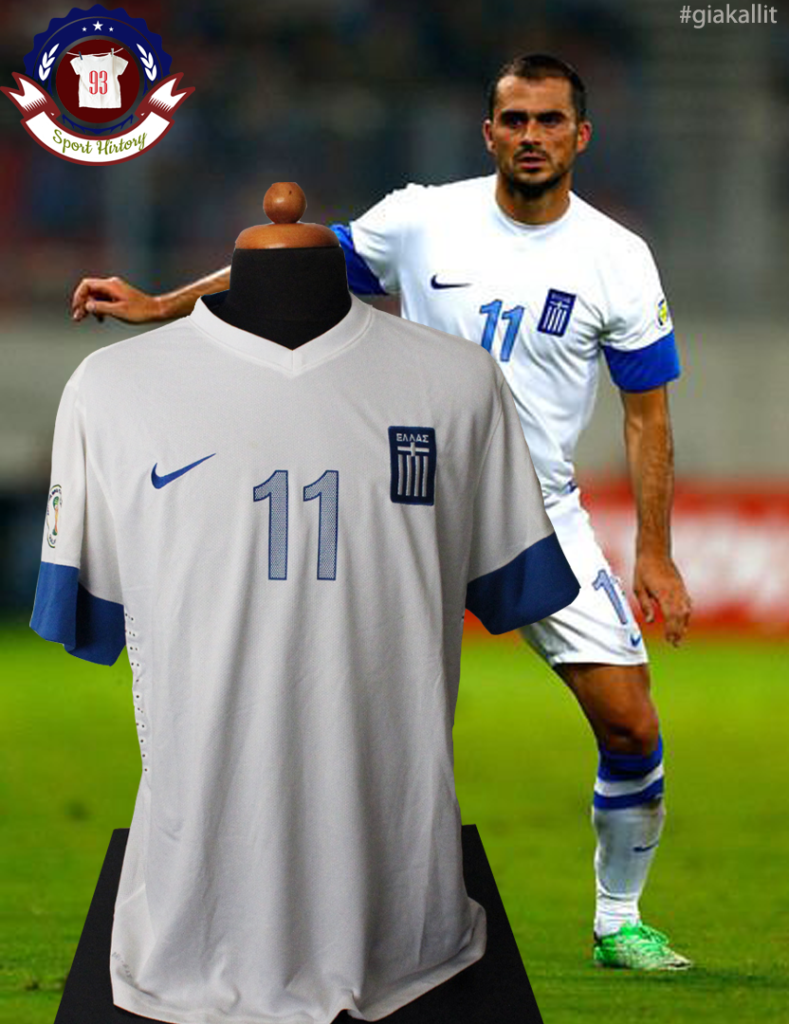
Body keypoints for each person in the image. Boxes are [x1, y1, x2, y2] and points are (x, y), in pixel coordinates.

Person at [71, 53, 693, 971]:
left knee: (630, 722)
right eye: (515, 120)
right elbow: (290, 263)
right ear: (488, 132)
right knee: (322, 709)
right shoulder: (420, 220)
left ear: (581, 135)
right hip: (403, 503)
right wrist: (163, 305)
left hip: (536, 509)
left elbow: (648, 417)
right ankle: (279, 902)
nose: (531, 136)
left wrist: (655, 552)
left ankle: (618, 919)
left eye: (549, 120)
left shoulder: (617, 258)